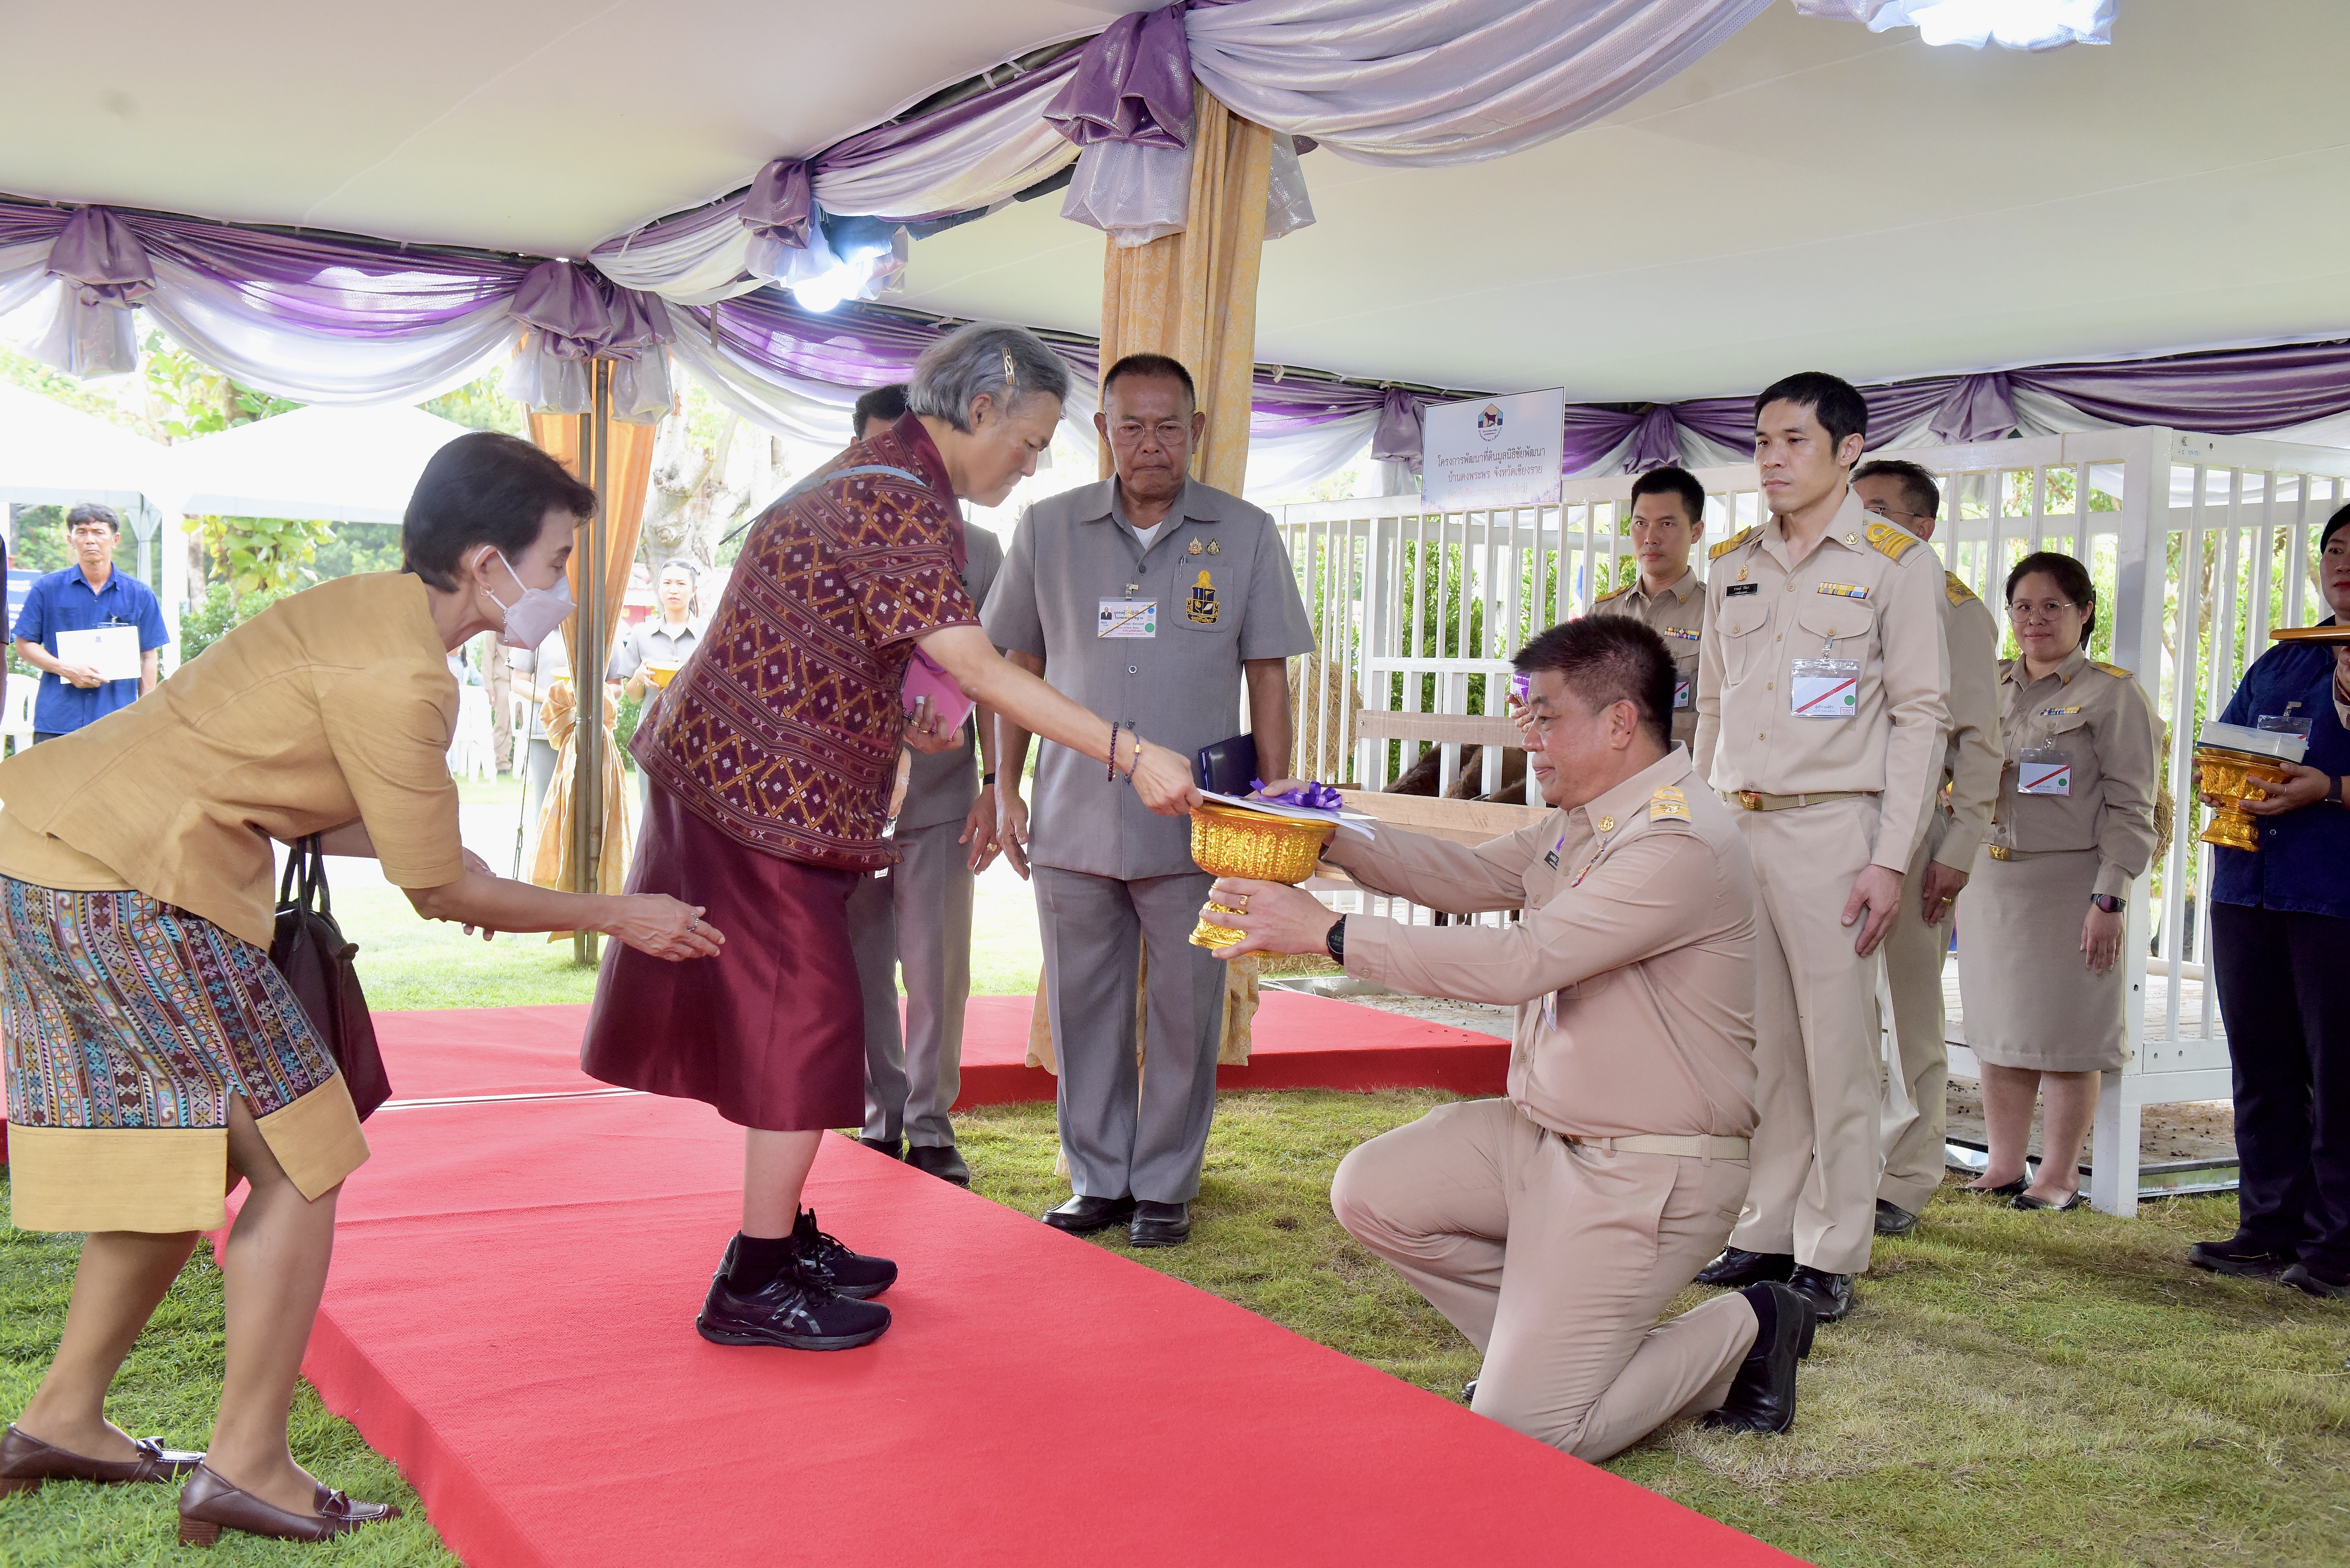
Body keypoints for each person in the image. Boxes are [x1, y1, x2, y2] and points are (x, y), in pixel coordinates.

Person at [0, 432, 716, 1546]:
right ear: (488, 565)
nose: (566, 588)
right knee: (299, 1153)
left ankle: (62, 1419)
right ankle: (245, 1465)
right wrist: (620, 912)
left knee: (182, 1152)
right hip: (124, 877)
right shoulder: (404, 673)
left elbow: (351, 815)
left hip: (51, 851)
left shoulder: (365, 614)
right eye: (562, 561)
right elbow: (437, 883)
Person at [580, 325, 1202, 1353]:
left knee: (811, 1017)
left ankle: (776, 1245)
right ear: (981, 407)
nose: (1033, 461)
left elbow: (906, 654)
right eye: (1033, 439)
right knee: (807, 1019)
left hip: (758, 780)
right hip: (749, 786)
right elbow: (980, 664)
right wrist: (1130, 752)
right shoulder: (895, 493)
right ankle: (755, 1273)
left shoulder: (893, 479)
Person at [1210, 616, 1811, 1458]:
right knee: (1374, 1191)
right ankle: (1552, 1357)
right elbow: (1471, 876)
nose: (1525, 735)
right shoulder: (1593, 818)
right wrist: (1322, 831)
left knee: (1528, 1436)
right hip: (1545, 1142)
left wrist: (1331, 934)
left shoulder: (1678, 840)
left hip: (1645, 1171)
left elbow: (1521, 963)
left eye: (1544, 715)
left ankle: (1749, 1327)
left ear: (1618, 723)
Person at [986, 352, 1317, 1249]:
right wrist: (1002, 788)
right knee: (1084, 1007)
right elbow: (1016, 667)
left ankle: (1166, 1181)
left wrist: (1273, 801)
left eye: (1169, 425)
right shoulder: (1046, 530)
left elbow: (1268, 672)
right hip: (1072, 818)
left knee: (1185, 1007)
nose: (1150, 443)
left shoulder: (1244, 533)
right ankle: (1099, 1177)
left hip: (1196, 827)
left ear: (1197, 431)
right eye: (1129, 425)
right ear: (1102, 433)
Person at [1691, 372, 1947, 1326]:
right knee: (1759, 1044)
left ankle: (1833, 1242)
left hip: (1836, 826)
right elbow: (1710, 706)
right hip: (1738, 824)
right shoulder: (1732, 561)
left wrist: (1888, 856)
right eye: (1760, 441)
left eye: (1792, 441)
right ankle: (1763, 1225)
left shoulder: (1893, 563)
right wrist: (1693, 817)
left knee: (1837, 1043)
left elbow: (1921, 714)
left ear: (1847, 450)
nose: (1770, 459)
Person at [1956, 550, 2157, 1211]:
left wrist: (2110, 895)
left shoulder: (2110, 693)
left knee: (2069, 1033)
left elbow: (2134, 809)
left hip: (2072, 883)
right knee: (1999, 1026)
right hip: (1992, 879)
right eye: (2021, 606)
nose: (2033, 619)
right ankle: (2004, 1163)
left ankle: (2058, 1176)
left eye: (2051, 606)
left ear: (2084, 612)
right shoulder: (1988, 684)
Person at [843, 383, 1006, 1186]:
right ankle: (881, 1115)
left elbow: (1004, 675)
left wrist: (996, 781)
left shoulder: (982, 548)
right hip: (845, 803)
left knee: (936, 966)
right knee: (865, 967)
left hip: (942, 797)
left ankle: (933, 1122)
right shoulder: (830, 541)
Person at [2189, 503, 2350, 1295]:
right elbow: (2224, 739)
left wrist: (2332, 789)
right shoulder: (2286, 658)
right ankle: (2267, 1226)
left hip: (2334, 897)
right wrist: (2213, 774)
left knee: (2340, 1073)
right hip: (2248, 889)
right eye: (2333, 549)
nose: (2342, 562)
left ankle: (2336, 1248)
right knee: (2262, 1067)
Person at [1850, 459, 2002, 1237]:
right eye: (1853, 508)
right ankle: (1843, 1159)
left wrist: (1960, 843)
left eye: (1877, 510)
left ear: (1921, 528)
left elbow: (1978, 742)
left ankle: (1907, 1173)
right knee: (1837, 1010)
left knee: (1908, 1012)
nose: (1860, 522)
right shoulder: (1836, 591)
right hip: (1835, 828)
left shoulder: (1955, 610)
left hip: (1912, 837)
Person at [10, 502, 169, 742]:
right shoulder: (47, 589)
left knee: (115, 782)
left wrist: (145, 712)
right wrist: (66, 669)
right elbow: (24, 645)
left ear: (115, 540)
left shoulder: (140, 594)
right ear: (70, 540)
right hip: (58, 720)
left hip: (118, 720)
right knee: (56, 781)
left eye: (98, 532)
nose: (90, 540)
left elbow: (149, 656)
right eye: (82, 532)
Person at [1590, 465, 1707, 750]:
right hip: (1615, 777)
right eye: (1641, 523)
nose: (1650, 538)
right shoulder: (1604, 615)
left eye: (1667, 524)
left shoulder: (1716, 612)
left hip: (1683, 779)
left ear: (1696, 531)